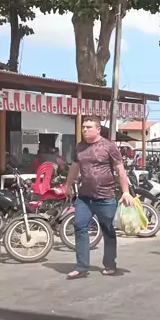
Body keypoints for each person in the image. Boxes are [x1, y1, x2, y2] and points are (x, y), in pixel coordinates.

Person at [64, 115, 134, 279]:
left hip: (105, 197)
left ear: (98, 129)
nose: (85, 130)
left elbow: (120, 170)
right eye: (83, 127)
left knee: (108, 230)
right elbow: (74, 168)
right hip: (84, 198)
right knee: (80, 227)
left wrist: (125, 192)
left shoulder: (109, 146)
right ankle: (81, 267)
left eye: (88, 127)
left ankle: (110, 264)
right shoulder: (80, 147)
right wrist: (67, 185)